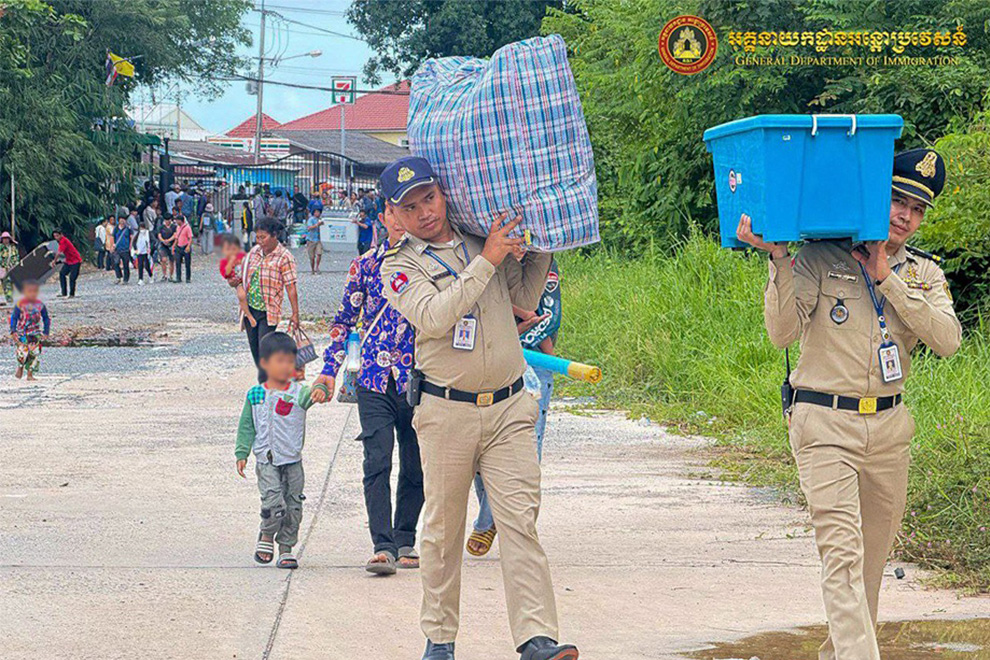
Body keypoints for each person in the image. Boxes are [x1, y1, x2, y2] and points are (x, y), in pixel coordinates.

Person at [735, 148, 961, 660]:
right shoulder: (819, 257)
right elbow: (782, 333)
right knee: (842, 557)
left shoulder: (923, 274)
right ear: (873, 196)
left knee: (870, 570)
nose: (905, 215)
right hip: (823, 424)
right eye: (897, 200)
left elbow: (948, 339)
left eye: (917, 208)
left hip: (888, 431)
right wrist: (778, 261)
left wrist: (887, 278)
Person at [379, 157, 577, 660]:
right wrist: (487, 258)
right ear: (395, 215)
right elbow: (436, 316)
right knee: (444, 532)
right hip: (447, 413)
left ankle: (536, 639)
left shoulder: (477, 238)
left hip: (510, 407)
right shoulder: (399, 266)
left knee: (519, 522)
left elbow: (525, 296)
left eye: (429, 197)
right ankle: (440, 642)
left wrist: (541, 241)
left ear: (444, 194)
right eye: (410, 206)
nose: (424, 212)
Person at [312, 205, 424, 576]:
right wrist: (329, 370)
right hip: (374, 377)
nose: (400, 219)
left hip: (419, 377)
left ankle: (405, 535)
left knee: (416, 462)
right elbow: (344, 321)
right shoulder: (364, 266)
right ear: (383, 218)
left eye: (407, 211)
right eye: (394, 211)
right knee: (377, 459)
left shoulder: (429, 263)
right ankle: (382, 546)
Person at [469, 262, 561, 557]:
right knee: (481, 448)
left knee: (528, 446)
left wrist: (549, 358)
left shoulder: (544, 264)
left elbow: (548, 315)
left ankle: (495, 524)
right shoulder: (485, 259)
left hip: (535, 361)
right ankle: (496, 517)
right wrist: (520, 318)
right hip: (489, 359)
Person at [235, 331, 327, 569]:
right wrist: (241, 453)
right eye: (280, 361)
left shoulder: (299, 393)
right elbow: (247, 425)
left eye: (290, 361)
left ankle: (286, 548)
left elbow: (315, 393)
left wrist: (321, 391)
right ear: (264, 364)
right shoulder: (254, 394)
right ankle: (266, 535)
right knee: (274, 502)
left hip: (292, 460)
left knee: (293, 504)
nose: (286, 367)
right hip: (266, 460)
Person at [242, 217, 300, 383]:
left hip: (268, 311)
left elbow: (291, 287)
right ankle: (266, 384)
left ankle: (265, 388)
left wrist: (295, 314)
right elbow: (245, 276)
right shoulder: (254, 253)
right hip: (249, 311)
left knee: (265, 351)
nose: (259, 241)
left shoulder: (284, 257)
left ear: (274, 235)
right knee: (255, 351)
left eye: (263, 237)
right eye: (257, 237)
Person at [9, 279, 50, 381]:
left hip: (35, 333)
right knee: (22, 351)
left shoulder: (40, 305)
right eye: (29, 291)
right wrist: (13, 330)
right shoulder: (20, 304)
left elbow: (46, 318)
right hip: (22, 333)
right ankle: (20, 366)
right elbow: (14, 317)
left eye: (34, 291)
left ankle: (30, 374)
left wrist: (46, 331)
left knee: (35, 353)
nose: (32, 293)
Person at [219, 234, 256, 328]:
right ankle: (248, 315)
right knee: (241, 295)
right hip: (238, 282)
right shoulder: (224, 261)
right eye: (228, 249)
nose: (231, 252)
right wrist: (231, 262)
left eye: (234, 249)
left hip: (248, 279)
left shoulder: (243, 256)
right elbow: (227, 274)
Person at [52, 229, 83, 298]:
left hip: (76, 261)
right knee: (62, 274)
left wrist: (54, 261)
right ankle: (64, 293)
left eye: (57, 236)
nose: (56, 238)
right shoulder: (60, 241)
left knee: (72, 278)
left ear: (61, 235)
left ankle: (72, 294)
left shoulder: (63, 241)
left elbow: (59, 252)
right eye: (54, 236)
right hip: (69, 261)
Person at [1, 231, 21, 305]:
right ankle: (9, 298)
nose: (5, 240)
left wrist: (16, 264)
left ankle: (11, 297)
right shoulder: (1, 248)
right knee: (6, 283)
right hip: (3, 268)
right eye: (4, 239)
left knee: (12, 282)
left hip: (12, 267)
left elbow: (16, 257)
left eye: (6, 239)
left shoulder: (13, 248)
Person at [112, 216, 133, 284]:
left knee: (125, 264)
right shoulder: (116, 229)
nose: (122, 221)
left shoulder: (128, 229)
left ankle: (126, 279)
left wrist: (130, 245)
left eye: (123, 219)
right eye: (121, 220)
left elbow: (131, 237)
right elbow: (113, 237)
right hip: (117, 248)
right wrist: (112, 245)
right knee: (116, 263)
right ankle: (119, 276)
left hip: (125, 249)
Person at [173, 214, 193, 283]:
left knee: (187, 263)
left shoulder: (187, 227)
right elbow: (176, 237)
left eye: (177, 220)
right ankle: (178, 277)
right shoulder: (177, 227)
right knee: (178, 263)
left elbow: (190, 238)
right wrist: (174, 246)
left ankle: (188, 278)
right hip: (178, 246)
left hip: (185, 246)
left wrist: (188, 246)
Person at [157, 213, 176, 283]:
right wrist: (163, 241)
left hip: (172, 244)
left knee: (172, 261)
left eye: (168, 220)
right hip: (163, 245)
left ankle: (171, 275)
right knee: (163, 259)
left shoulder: (174, 227)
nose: (167, 221)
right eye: (166, 220)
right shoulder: (161, 227)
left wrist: (169, 240)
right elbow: (159, 235)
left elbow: (175, 235)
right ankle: (164, 275)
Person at [305, 208, 324, 274]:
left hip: (318, 239)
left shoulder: (320, 220)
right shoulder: (311, 219)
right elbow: (309, 228)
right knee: (312, 257)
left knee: (319, 253)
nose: (318, 213)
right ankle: (312, 269)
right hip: (311, 239)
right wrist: (317, 225)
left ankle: (317, 267)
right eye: (316, 212)